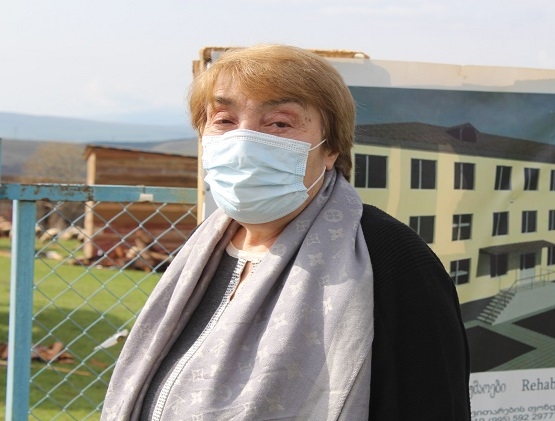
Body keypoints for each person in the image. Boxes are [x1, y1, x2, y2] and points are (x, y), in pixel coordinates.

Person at [102, 44, 471, 420]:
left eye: (279, 123)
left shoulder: (389, 256)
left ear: (331, 148)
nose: (243, 143)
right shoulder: (205, 246)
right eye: (224, 120)